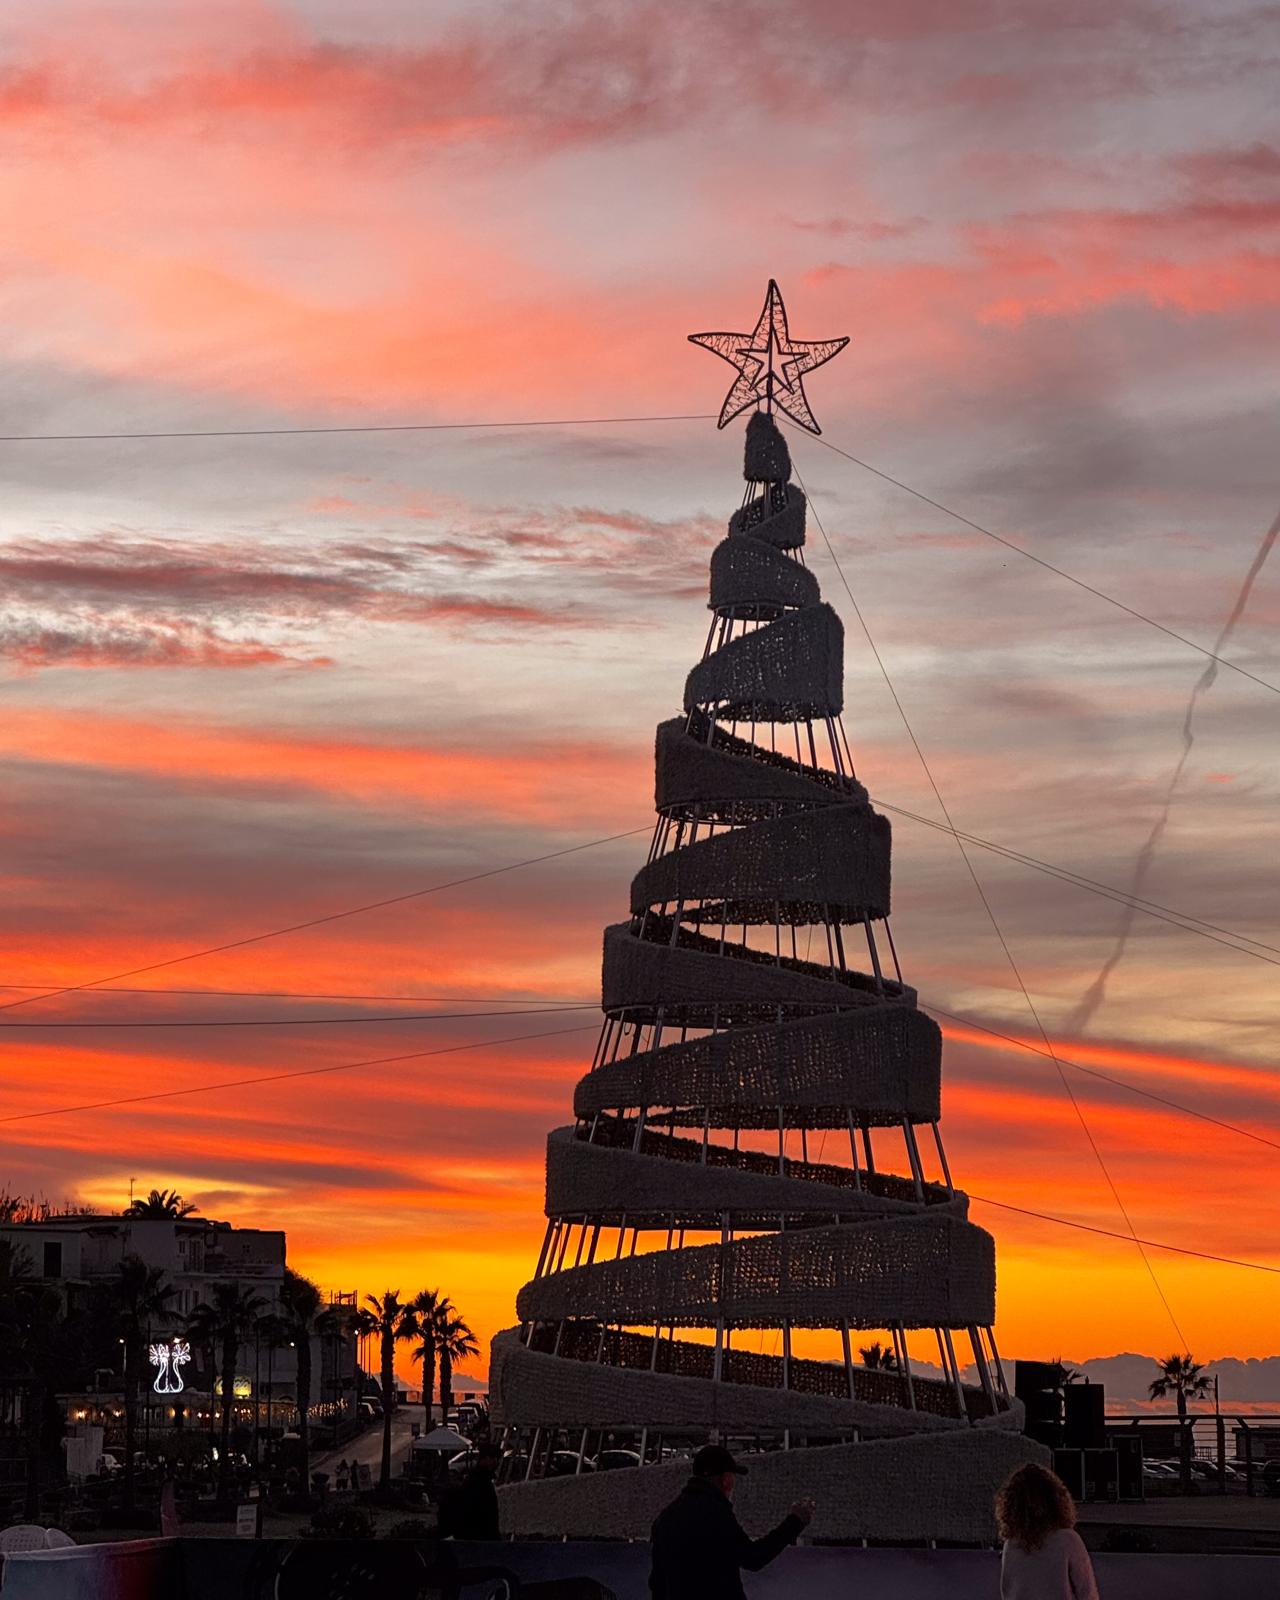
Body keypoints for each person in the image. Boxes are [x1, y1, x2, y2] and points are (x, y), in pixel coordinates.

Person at [649, 1444, 813, 1600]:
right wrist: (795, 1521)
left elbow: (657, 1584)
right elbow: (753, 1557)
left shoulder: (665, 1519)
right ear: (726, 1479)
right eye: (732, 1477)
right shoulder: (716, 1514)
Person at [997, 1462, 1100, 1600]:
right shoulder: (1068, 1540)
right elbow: (1087, 1593)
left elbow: (1008, 1593)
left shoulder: (1011, 1545)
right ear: (1055, 1500)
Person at [438, 1441, 501, 1541]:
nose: (496, 1462)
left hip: (476, 1536)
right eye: (493, 1458)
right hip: (480, 1537)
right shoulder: (480, 1482)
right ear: (486, 1459)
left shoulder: (475, 1479)